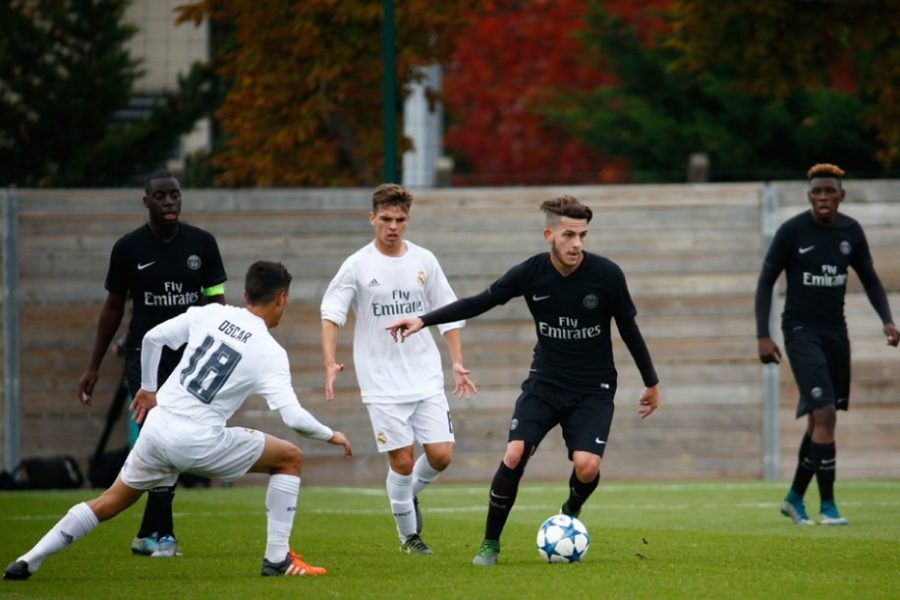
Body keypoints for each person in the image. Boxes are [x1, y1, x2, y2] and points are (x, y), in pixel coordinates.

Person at [4, 261, 353, 581]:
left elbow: (153, 338)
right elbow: (292, 416)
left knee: (108, 503)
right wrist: (330, 434)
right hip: (198, 442)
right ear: (282, 299)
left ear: (245, 294)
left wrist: (147, 389)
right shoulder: (270, 352)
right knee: (289, 457)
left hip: (157, 429)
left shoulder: (211, 313)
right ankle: (277, 559)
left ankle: (29, 559)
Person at [387, 195, 661, 566]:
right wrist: (423, 319)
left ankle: (570, 510)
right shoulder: (531, 273)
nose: (577, 243)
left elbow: (629, 329)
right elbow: (479, 301)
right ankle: (489, 544)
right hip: (545, 383)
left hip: (593, 388)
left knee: (587, 466)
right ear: (549, 234)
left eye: (582, 235)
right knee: (514, 453)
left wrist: (651, 382)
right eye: (568, 235)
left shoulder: (607, 275)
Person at [320, 183, 477, 555]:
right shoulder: (357, 265)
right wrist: (329, 360)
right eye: (386, 219)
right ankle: (409, 537)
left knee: (441, 456)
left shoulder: (424, 260)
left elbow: (449, 314)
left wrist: (456, 362)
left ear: (408, 220)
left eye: (400, 220)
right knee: (403, 462)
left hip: (424, 375)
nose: (393, 226)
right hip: (381, 381)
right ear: (372, 218)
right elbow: (331, 314)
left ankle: (405, 496)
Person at [77, 170, 227, 558]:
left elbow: (216, 304)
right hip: (145, 359)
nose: (169, 203)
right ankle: (164, 536)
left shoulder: (203, 245)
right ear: (146, 201)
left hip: (190, 360)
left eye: (174, 196)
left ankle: (148, 533)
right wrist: (93, 365)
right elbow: (112, 308)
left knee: (170, 439)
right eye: (160, 196)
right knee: (157, 434)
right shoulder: (128, 249)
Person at [755, 163, 899, 526]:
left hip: (837, 332)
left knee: (819, 419)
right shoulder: (791, 231)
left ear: (841, 195)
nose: (822, 197)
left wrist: (887, 321)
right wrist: (763, 334)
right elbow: (765, 281)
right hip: (800, 331)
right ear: (809, 196)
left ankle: (793, 498)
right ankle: (829, 506)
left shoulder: (851, 231)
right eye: (816, 191)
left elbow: (871, 280)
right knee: (826, 414)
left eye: (829, 191)